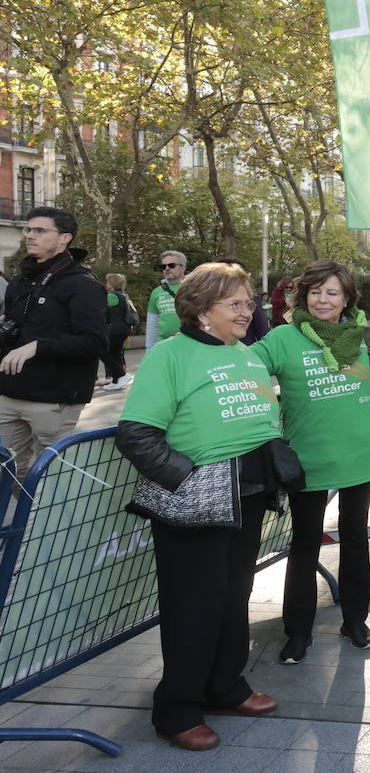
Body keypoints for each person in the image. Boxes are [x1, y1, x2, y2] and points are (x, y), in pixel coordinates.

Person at [115, 262, 284, 750]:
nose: (247, 311)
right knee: (193, 606)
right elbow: (137, 433)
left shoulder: (246, 353)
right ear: (201, 310)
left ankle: (225, 686)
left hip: (246, 497)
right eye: (235, 303)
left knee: (233, 597)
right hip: (196, 504)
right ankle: (177, 709)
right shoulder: (170, 354)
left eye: (248, 302)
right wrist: (187, 482)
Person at [255, 260, 370, 663]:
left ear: (347, 298)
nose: (322, 300)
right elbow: (242, 372)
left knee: (355, 540)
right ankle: (297, 632)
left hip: (358, 453)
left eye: (332, 292)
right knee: (304, 546)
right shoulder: (282, 338)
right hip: (306, 459)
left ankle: (355, 622)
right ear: (302, 296)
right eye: (315, 292)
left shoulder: (362, 337)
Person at [0, 206, 107, 482]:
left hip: (54, 400)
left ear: (65, 238)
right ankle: (16, 525)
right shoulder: (20, 281)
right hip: (9, 395)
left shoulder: (83, 285)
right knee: (7, 476)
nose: (31, 236)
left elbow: (94, 342)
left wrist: (38, 346)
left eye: (40, 230)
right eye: (29, 229)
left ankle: (42, 526)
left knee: (51, 481)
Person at [100, 272, 137, 390]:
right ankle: (116, 381)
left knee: (103, 353)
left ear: (112, 284)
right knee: (116, 354)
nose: (106, 284)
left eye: (108, 282)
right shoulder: (124, 295)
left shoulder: (112, 296)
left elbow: (105, 312)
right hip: (123, 329)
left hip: (114, 330)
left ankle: (122, 375)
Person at [145, 250, 187, 348]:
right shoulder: (156, 292)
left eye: (171, 265)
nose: (167, 269)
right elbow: (152, 324)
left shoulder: (193, 288)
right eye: (163, 266)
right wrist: (150, 350)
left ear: (183, 267)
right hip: (163, 345)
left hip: (189, 344)